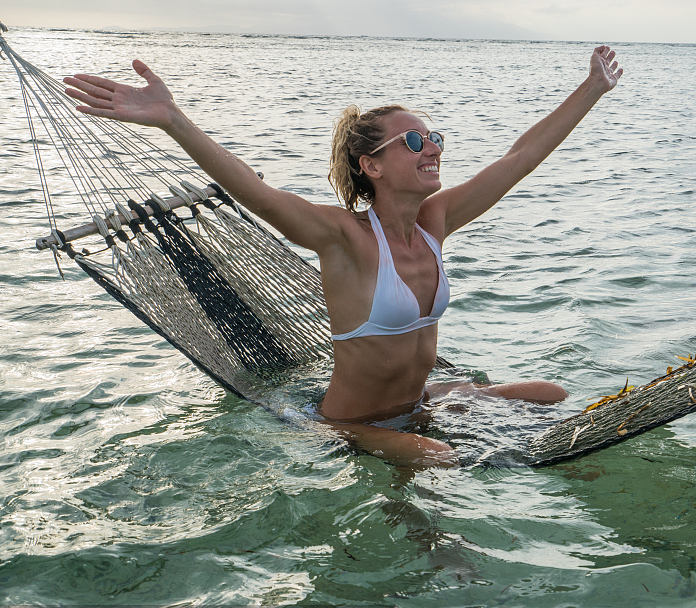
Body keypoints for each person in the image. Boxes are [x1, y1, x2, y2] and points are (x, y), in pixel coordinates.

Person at [64, 45, 623, 468]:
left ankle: (571, 480)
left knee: (552, 396)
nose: (431, 149)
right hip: (349, 423)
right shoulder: (342, 237)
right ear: (372, 167)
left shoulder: (436, 221)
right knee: (440, 459)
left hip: (420, 399)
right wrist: (172, 119)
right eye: (413, 142)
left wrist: (591, 88)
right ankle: (430, 541)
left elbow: (520, 157)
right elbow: (257, 194)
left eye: (434, 139)